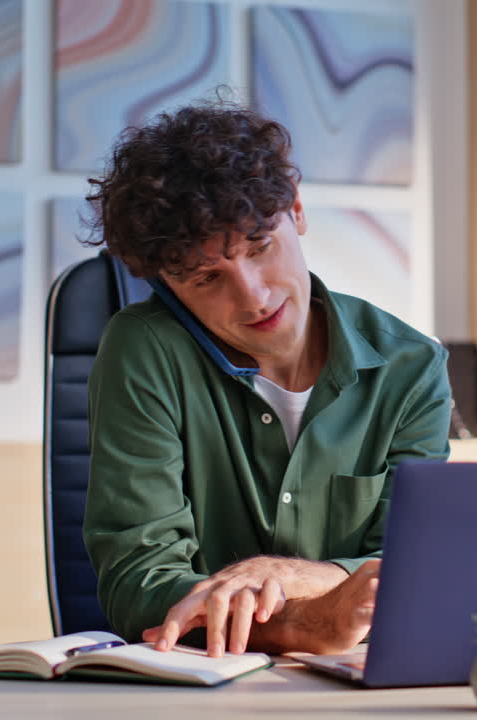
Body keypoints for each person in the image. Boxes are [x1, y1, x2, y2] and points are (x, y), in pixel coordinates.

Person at [81, 99, 451, 658]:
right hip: (198, 683)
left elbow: (412, 570)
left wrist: (295, 576)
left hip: (360, 681)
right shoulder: (143, 350)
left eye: (260, 248)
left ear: (295, 210)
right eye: (208, 278)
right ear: (167, 284)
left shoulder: (412, 367)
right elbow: (139, 588)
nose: (253, 296)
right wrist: (308, 621)